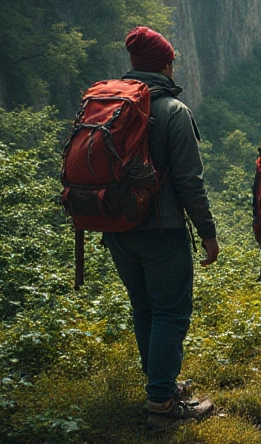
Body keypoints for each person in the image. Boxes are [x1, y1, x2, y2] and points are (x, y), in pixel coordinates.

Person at [103, 27, 218, 431]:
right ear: (166, 64)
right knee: (170, 312)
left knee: (144, 308)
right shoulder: (173, 111)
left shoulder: (112, 106)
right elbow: (190, 181)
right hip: (161, 230)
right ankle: (162, 405)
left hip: (116, 227)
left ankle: (160, 387)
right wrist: (208, 232)